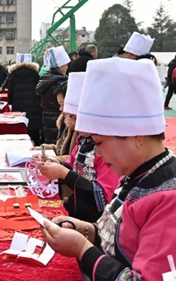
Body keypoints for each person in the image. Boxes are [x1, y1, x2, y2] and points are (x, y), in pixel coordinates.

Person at [40, 57, 176, 280]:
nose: (97, 154)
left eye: (99, 143)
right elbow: (119, 240)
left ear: (137, 136)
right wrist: (83, 229)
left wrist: (82, 250)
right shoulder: (138, 176)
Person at [36, 73, 120, 222]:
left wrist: (64, 174)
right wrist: (54, 163)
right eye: (70, 117)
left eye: (76, 117)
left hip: (94, 220)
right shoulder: (84, 139)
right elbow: (72, 163)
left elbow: (102, 196)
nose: (76, 123)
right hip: (77, 210)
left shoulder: (108, 147)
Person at [36, 46, 69, 144]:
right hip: (59, 117)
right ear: (60, 66)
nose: (67, 67)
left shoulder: (45, 79)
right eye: (66, 65)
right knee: (59, 144)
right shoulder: (62, 82)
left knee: (50, 143)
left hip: (46, 117)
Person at [7, 60, 43, 145]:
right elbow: (39, 89)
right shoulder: (34, 73)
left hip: (18, 105)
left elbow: (10, 91)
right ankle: (36, 147)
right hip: (33, 105)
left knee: (21, 128)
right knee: (34, 129)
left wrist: (11, 102)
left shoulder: (13, 74)